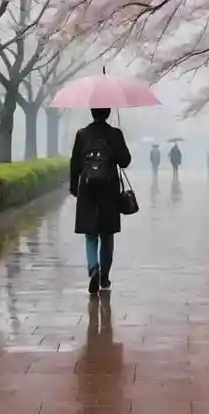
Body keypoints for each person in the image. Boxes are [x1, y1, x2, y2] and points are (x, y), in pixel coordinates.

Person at [70, 108, 132, 295]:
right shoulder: (114, 134)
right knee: (107, 234)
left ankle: (93, 269)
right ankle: (104, 276)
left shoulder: (82, 134)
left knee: (90, 234)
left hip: (87, 189)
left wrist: (74, 187)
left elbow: (75, 163)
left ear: (91, 112)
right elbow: (125, 161)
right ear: (108, 112)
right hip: (109, 189)